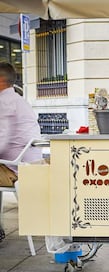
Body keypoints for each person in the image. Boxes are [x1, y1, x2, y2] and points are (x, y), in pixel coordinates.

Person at [0, 62, 42, 242]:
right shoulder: (19, 100)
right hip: (29, 166)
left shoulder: (4, 102)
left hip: (15, 169)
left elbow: (3, 140)